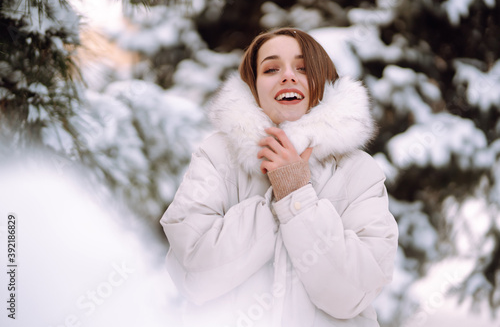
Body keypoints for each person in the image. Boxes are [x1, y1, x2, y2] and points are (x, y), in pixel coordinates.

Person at [160, 27, 399, 327]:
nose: (288, 76)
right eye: (271, 68)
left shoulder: (360, 172)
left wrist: (296, 194)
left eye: (303, 68)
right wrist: (282, 198)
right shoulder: (217, 156)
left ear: (324, 83)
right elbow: (194, 274)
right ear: (253, 87)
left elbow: (351, 294)